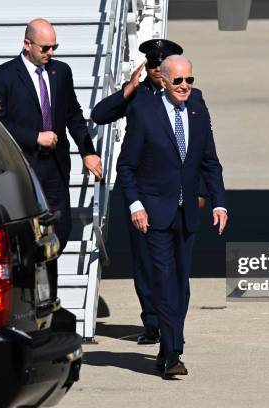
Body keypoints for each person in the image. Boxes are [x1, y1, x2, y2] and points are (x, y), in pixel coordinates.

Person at [116, 55, 228, 378]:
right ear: (163, 81)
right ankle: (175, 350)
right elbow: (126, 166)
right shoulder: (144, 112)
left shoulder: (197, 110)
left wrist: (219, 202)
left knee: (181, 284)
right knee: (163, 279)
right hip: (154, 213)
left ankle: (166, 350)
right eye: (178, 81)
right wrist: (135, 205)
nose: (184, 87)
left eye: (189, 80)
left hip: (187, 212)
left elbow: (210, 161)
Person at [91, 39, 208, 345]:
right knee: (144, 263)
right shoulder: (139, 97)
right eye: (153, 66)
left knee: (175, 268)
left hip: (178, 195)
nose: (157, 71)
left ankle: (171, 327)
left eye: (161, 65)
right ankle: (152, 322)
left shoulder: (190, 97)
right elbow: (100, 115)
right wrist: (127, 89)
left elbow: (202, 149)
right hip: (144, 194)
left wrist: (202, 191)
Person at [0, 18, 102, 299]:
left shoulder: (61, 73)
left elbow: (73, 114)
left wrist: (87, 151)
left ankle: (45, 291)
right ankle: (33, 294)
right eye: (45, 48)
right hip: (22, 168)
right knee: (28, 234)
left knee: (61, 228)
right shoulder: (2, 76)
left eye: (54, 47)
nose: (51, 53)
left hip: (55, 167)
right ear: (27, 44)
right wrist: (34, 136)